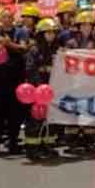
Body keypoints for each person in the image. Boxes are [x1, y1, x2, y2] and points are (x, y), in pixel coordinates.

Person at [0, 7, 30, 156]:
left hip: (16, 79)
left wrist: (9, 44)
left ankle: (13, 142)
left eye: (9, 17)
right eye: (4, 17)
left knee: (15, 113)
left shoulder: (20, 32)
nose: (7, 20)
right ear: (0, 19)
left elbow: (24, 48)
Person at [25, 18, 63, 160]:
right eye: (48, 33)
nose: (51, 35)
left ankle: (47, 145)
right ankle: (31, 147)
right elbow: (29, 69)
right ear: (41, 34)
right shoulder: (35, 50)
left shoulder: (57, 49)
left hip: (52, 89)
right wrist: (42, 74)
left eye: (53, 33)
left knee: (51, 118)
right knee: (36, 118)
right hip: (38, 90)